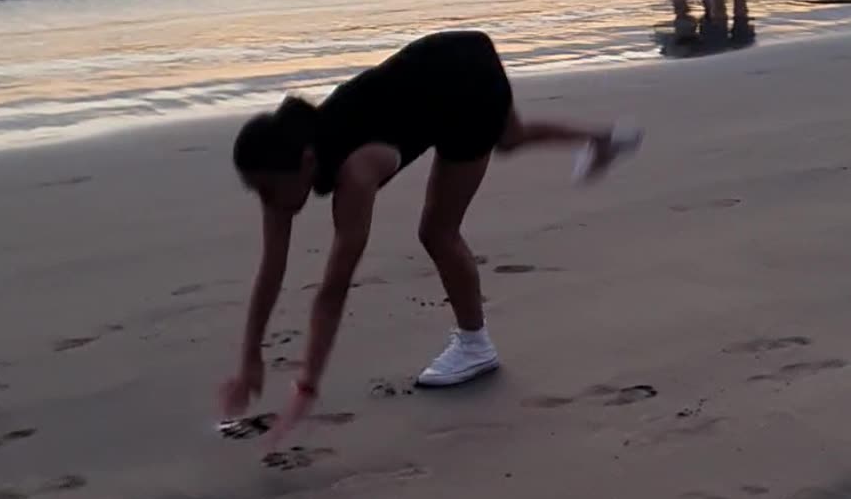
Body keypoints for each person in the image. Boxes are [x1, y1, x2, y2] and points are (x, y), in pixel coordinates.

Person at [219, 30, 643, 445]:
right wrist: (249, 356)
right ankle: (603, 140)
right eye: (256, 191)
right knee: (509, 138)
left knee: (437, 232)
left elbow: (333, 290)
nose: (265, 201)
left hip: (466, 90)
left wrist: (306, 388)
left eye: (267, 190)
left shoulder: (357, 171)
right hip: (461, 52)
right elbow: (271, 269)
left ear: (307, 162)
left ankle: (476, 345)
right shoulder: (285, 159)